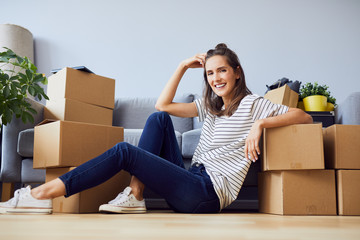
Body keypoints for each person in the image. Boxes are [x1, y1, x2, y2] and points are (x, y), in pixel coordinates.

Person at [0, 43, 312, 214]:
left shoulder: (254, 103)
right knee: (158, 120)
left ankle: (41, 195)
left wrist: (260, 124)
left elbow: (304, 116)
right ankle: (136, 196)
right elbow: (162, 106)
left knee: (125, 151)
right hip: (192, 179)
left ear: (237, 73)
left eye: (222, 71)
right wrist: (181, 66)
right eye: (210, 73)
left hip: (207, 194)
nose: (216, 78)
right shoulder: (213, 106)